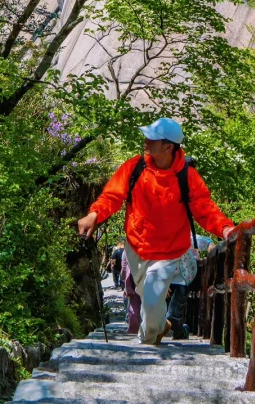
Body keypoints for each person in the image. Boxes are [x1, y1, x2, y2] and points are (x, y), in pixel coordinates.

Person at [77, 118, 235, 346]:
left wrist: (225, 228)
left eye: (152, 138)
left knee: (150, 304)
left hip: (169, 252)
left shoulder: (188, 177)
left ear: (168, 146)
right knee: (149, 298)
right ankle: (160, 327)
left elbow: (205, 209)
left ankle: (145, 348)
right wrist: (94, 215)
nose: (145, 141)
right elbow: (112, 196)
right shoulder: (134, 167)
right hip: (136, 248)